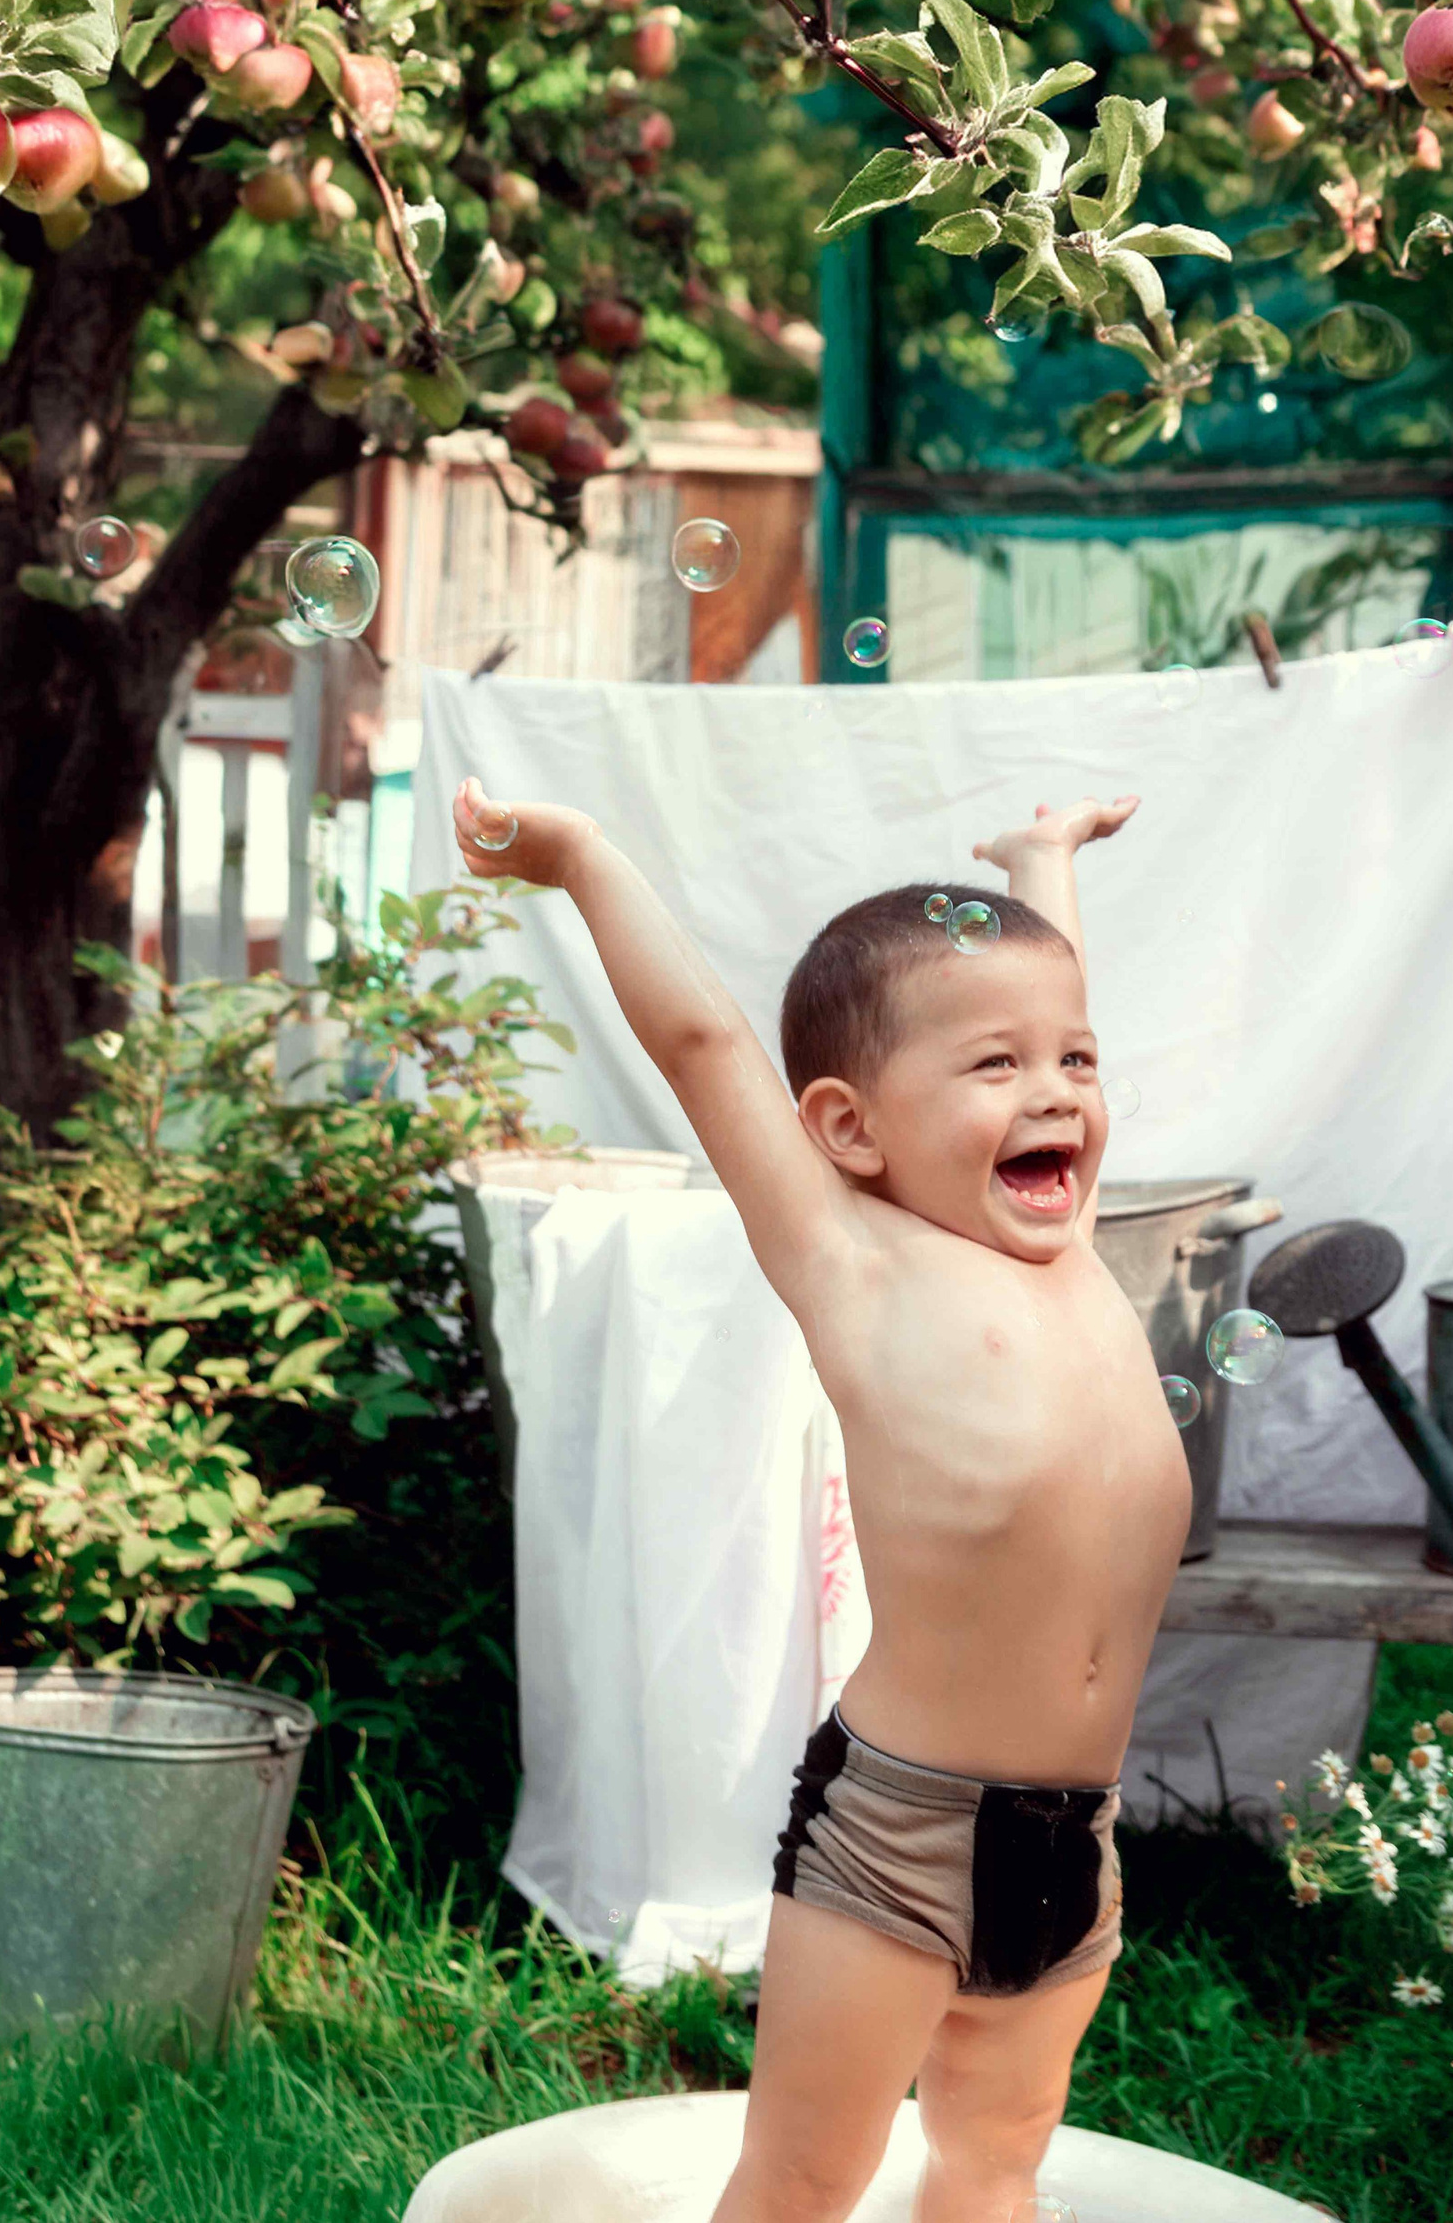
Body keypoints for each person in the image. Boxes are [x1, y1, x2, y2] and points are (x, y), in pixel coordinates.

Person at [451, 778, 1193, 2223]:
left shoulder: (1073, 1246)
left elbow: (1042, 996)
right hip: (899, 1842)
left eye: (1077, 1065)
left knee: (996, 2162)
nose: (1053, 1093)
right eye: (994, 1070)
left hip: (1075, 1842)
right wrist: (585, 851)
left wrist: (1039, 863)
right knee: (803, 2175)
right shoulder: (857, 1270)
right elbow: (702, 1039)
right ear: (849, 1130)